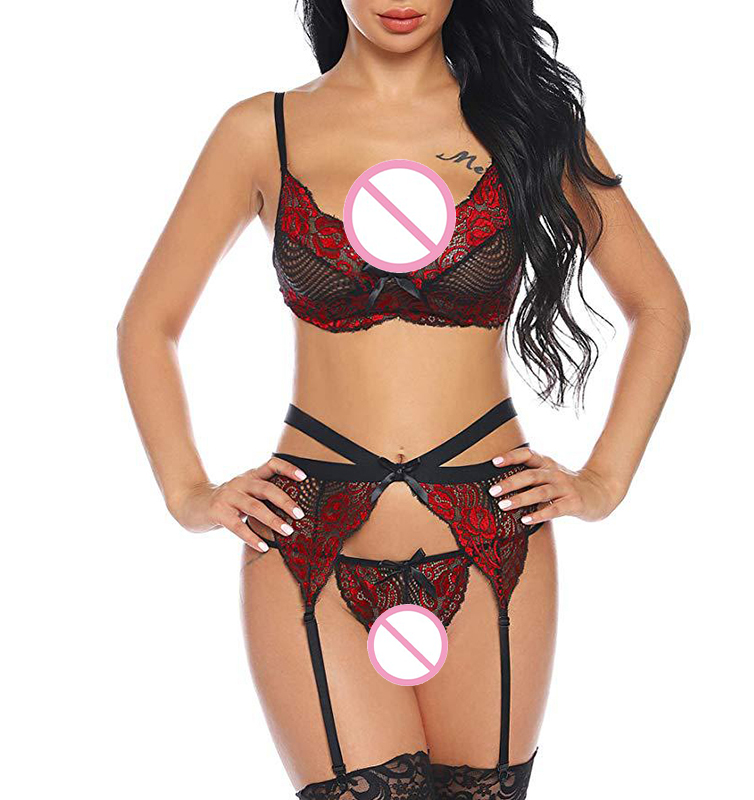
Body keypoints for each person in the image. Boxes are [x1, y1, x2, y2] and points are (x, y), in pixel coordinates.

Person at [117, 2, 690, 797]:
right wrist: (188, 492)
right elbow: (148, 326)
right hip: (306, 535)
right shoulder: (262, 132)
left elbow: (659, 308)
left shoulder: (526, 124)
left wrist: (605, 480)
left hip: (495, 537)